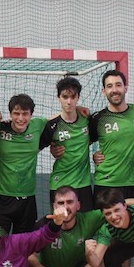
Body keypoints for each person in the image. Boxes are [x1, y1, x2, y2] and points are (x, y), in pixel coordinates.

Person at [29, 185, 107, 267]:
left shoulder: (88, 220)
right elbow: (30, 255)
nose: (65, 207)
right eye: (61, 203)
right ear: (54, 207)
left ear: (78, 205)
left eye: (70, 202)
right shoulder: (43, 225)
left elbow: (115, 207)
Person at [0, 93, 46, 235]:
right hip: (1, 198)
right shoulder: (1, 128)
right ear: (10, 114)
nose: (20, 118)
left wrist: (78, 108)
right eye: (16, 113)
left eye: (25, 114)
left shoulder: (38, 125)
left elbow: (60, 119)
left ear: (31, 115)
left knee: (23, 245)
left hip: (27, 199)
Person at [89, 69, 134, 201]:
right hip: (105, 183)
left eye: (118, 85)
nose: (114, 90)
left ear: (125, 88)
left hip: (131, 183)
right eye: (109, 86)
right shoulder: (98, 118)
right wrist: (93, 156)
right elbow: (82, 141)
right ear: (104, 91)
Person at [41, 76, 95, 211]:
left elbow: (99, 138)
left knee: (86, 223)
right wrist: (52, 150)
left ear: (78, 97)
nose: (69, 102)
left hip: (83, 184)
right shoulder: (51, 125)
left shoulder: (87, 119)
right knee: (61, 222)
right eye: (65, 97)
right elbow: (34, 148)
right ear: (58, 97)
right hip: (60, 183)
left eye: (73, 97)